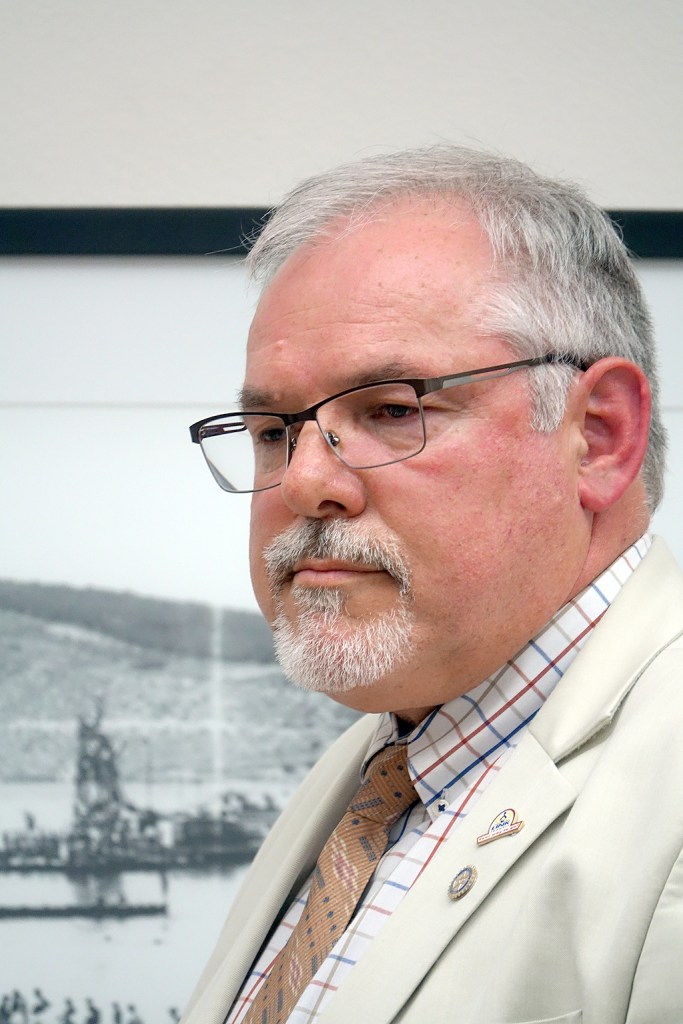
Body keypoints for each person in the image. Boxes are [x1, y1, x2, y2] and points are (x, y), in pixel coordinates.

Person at [182, 146, 683, 1024]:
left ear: (599, 437)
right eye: (270, 431)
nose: (304, 482)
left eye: (390, 410)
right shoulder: (387, 765)